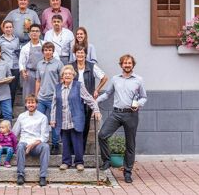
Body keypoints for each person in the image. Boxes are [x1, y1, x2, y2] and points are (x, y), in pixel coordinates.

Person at [97, 54, 147, 183]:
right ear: (121, 65)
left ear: (133, 65)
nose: (127, 65)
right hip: (116, 114)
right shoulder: (115, 79)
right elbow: (108, 94)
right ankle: (107, 161)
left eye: (129, 63)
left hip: (131, 114)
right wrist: (95, 101)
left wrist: (139, 104)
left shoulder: (139, 80)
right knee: (102, 135)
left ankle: (128, 172)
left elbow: (143, 97)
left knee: (130, 144)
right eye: (125, 63)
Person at [50, 65, 101, 171]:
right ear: (62, 76)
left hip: (76, 118)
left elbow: (88, 98)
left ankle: (79, 162)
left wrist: (96, 110)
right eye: (65, 74)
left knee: (77, 141)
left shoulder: (79, 86)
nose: (67, 75)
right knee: (65, 141)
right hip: (62, 118)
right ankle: (66, 162)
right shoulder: (58, 87)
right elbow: (54, 104)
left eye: (70, 74)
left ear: (73, 76)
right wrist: (52, 118)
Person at [72, 44, 108, 153]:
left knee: (85, 126)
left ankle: (81, 150)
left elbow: (104, 78)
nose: (80, 54)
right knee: (74, 125)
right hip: (74, 99)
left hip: (87, 100)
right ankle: (74, 149)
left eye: (82, 52)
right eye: (78, 52)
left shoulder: (92, 66)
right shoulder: (71, 66)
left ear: (86, 54)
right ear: (75, 54)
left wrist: (96, 90)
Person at [12, 94, 50, 187]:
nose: (30, 105)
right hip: (24, 144)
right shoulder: (21, 116)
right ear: (25, 104)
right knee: (20, 146)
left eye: (33, 102)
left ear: (36, 104)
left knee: (46, 146)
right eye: (28, 103)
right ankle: (20, 175)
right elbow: (14, 132)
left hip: (37, 145)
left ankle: (43, 176)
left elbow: (44, 137)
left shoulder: (43, 117)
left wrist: (32, 145)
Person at [35, 42, 64, 155]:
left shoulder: (58, 64)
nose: (48, 52)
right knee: (39, 121)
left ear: (53, 51)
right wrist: (36, 95)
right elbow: (38, 80)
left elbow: (62, 80)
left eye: (50, 50)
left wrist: (60, 94)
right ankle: (40, 143)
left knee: (54, 123)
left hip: (54, 98)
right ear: (43, 52)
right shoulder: (39, 64)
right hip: (41, 98)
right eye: (46, 50)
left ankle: (55, 145)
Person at [19, 24, 59, 102]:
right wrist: (23, 72)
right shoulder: (25, 48)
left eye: (37, 31)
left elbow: (56, 58)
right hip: (30, 74)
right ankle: (29, 112)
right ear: (29, 33)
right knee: (29, 95)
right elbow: (21, 63)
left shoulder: (45, 45)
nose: (35, 33)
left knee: (43, 95)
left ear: (40, 33)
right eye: (33, 31)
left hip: (44, 73)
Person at [0, 20, 20, 108]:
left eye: (10, 27)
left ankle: (10, 110)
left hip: (15, 67)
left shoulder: (16, 39)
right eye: (6, 27)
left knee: (12, 90)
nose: (8, 29)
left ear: (13, 28)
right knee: (3, 89)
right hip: (4, 67)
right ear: (3, 29)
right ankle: (2, 110)